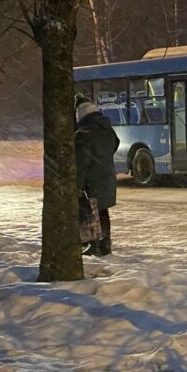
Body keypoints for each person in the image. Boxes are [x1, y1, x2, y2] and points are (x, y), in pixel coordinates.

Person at [75, 93, 120, 256]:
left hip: (91, 181)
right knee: (102, 212)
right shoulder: (106, 128)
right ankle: (105, 244)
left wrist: (77, 185)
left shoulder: (83, 133)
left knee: (89, 214)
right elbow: (116, 143)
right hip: (107, 178)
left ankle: (93, 245)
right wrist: (103, 157)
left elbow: (81, 163)